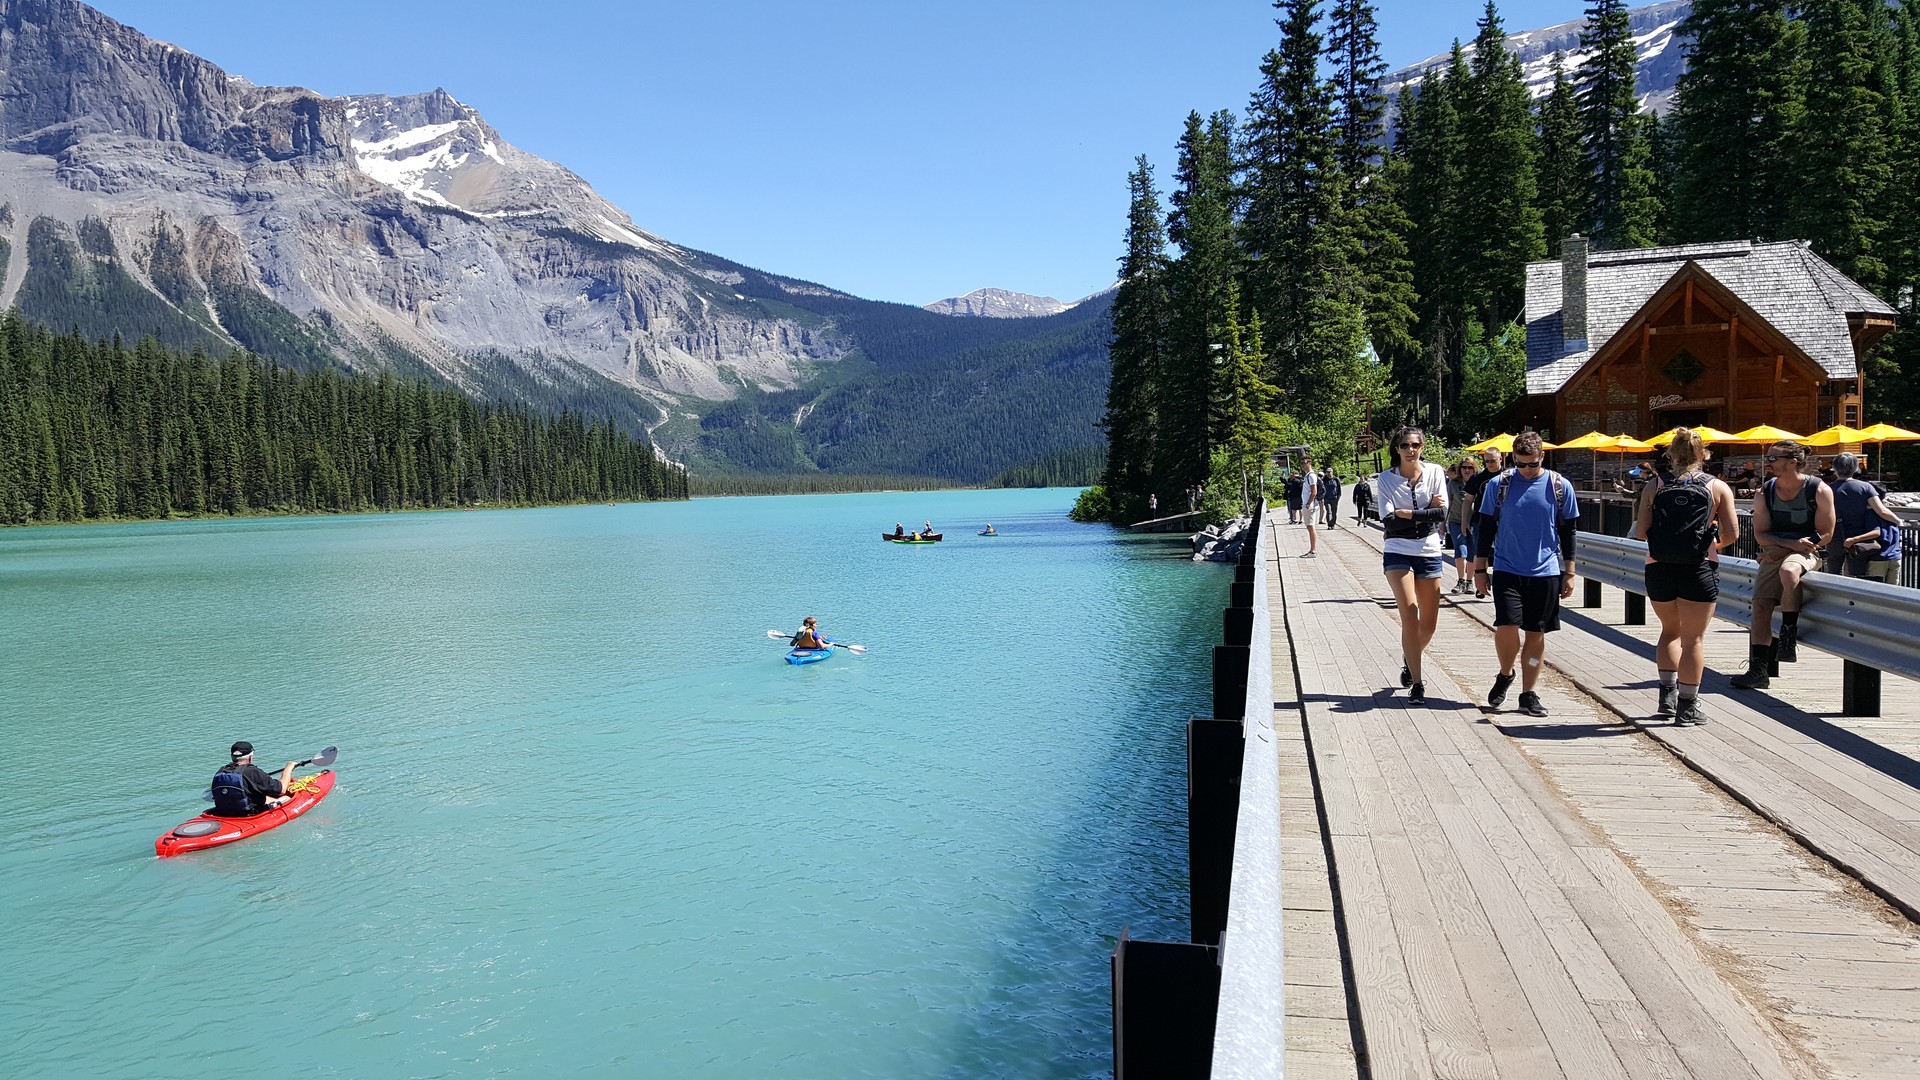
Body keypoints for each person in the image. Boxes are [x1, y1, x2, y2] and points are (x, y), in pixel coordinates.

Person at [1473, 432, 1581, 717]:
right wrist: (1479, 568)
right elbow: (1484, 528)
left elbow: (1569, 531)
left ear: (1542, 457)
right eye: (1521, 464)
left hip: (1545, 570)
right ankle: (1506, 673)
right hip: (1508, 568)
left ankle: (1528, 693)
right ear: (1512, 459)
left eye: (1532, 464)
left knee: (1536, 633)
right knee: (1506, 626)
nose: (1527, 470)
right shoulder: (1499, 486)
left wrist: (1569, 572)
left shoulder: (1560, 486)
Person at [1636, 428, 1739, 725]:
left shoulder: (1655, 485)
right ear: (1702, 454)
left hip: (1659, 567)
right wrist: (1709, 544)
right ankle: (1687, 706)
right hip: (1699, 567)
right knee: (1693, 640)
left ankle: (1666, 697)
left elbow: (1642, 531)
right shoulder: (1717, 487)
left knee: (1670, 631)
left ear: (1671, 454)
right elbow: (1733, 534)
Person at [1731, 441, 1835, 689]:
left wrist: (1790, 547)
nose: (1769, 463)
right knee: (1761, 605)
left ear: (1793, 461)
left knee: (1789, 571)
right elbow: (1761, 535)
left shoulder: (1818, 490)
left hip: (1807, 550)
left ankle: (1788, 634)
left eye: (1774, 458)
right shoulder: (1765, 492)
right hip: (1778, 550)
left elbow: (1826, 533)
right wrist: (1786, 545)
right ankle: (1758, 670)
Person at [1378, 426, 1450, 704]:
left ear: (1423, 447)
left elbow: (1441, 512)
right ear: (1397, 448)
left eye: (1416, 445)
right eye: (1406, 445)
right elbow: (1389, 520)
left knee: (1429, 624)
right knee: (1410, 612)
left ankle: (1410, 659)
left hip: (1429, 549)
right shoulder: (1386, 479)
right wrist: (1424, 512)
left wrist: (1407, 512)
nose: (1411, 450)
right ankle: (1418, 683)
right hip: (1398, 549)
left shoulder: (1435, 472)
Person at [1826, 452, 1903, 581]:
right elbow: (1881, 511)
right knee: (1858, 577)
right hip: (1859, 541)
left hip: (1834, 538)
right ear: (1855, 467)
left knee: (1834, 574)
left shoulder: (1827, 489)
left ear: (1835, 468)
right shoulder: (1865, 487)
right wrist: (1898, 521)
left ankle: (1836, 599)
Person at [210, 741, 297, 817]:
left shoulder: (221, 771)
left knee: (266, 797)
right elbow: (281, 789)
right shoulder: (252, 772)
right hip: (249, 814)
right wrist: (288, 768)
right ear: (250, 757)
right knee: (286, 797)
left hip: (223, 813)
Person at [1446, 460, 1476, 593]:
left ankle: (1470, 581)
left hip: (1474, 522)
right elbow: (1448, 503)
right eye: (1464, 467)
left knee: (1472, 552)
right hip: (1456, 521)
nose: (1466, 470)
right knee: (1460, 549)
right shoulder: (1453, 484)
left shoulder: (1478, 482)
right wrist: (1442, 523)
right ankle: (1461, 581)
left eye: (1470, 467)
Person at [1300, 456, 1320, 558]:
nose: (1302, 465)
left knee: (1311, 526)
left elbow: (1314, 491)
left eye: (1304, 463)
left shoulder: (1311, 476)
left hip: (1310, 505)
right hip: (1307, 503)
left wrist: (1308, 503)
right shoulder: (1307, 475)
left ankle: (1313, 551)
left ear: (1309, 463)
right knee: (1309, 526)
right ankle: (1312, 549)